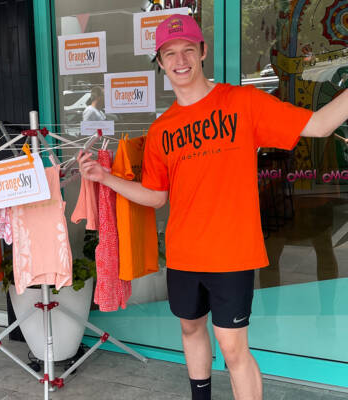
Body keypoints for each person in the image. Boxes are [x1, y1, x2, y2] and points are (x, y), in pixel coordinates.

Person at [77, 14, 348, 400]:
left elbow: (320, 125)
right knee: (190, 329)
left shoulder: (242, 103)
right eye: (169, 53)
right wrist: (106, 180)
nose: (180, 59)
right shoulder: (161, 131)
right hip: (184, 254)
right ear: (160, 62)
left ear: (203, 52)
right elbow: (156, 196)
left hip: (231, 253)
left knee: (234, 346)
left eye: (188, 49)